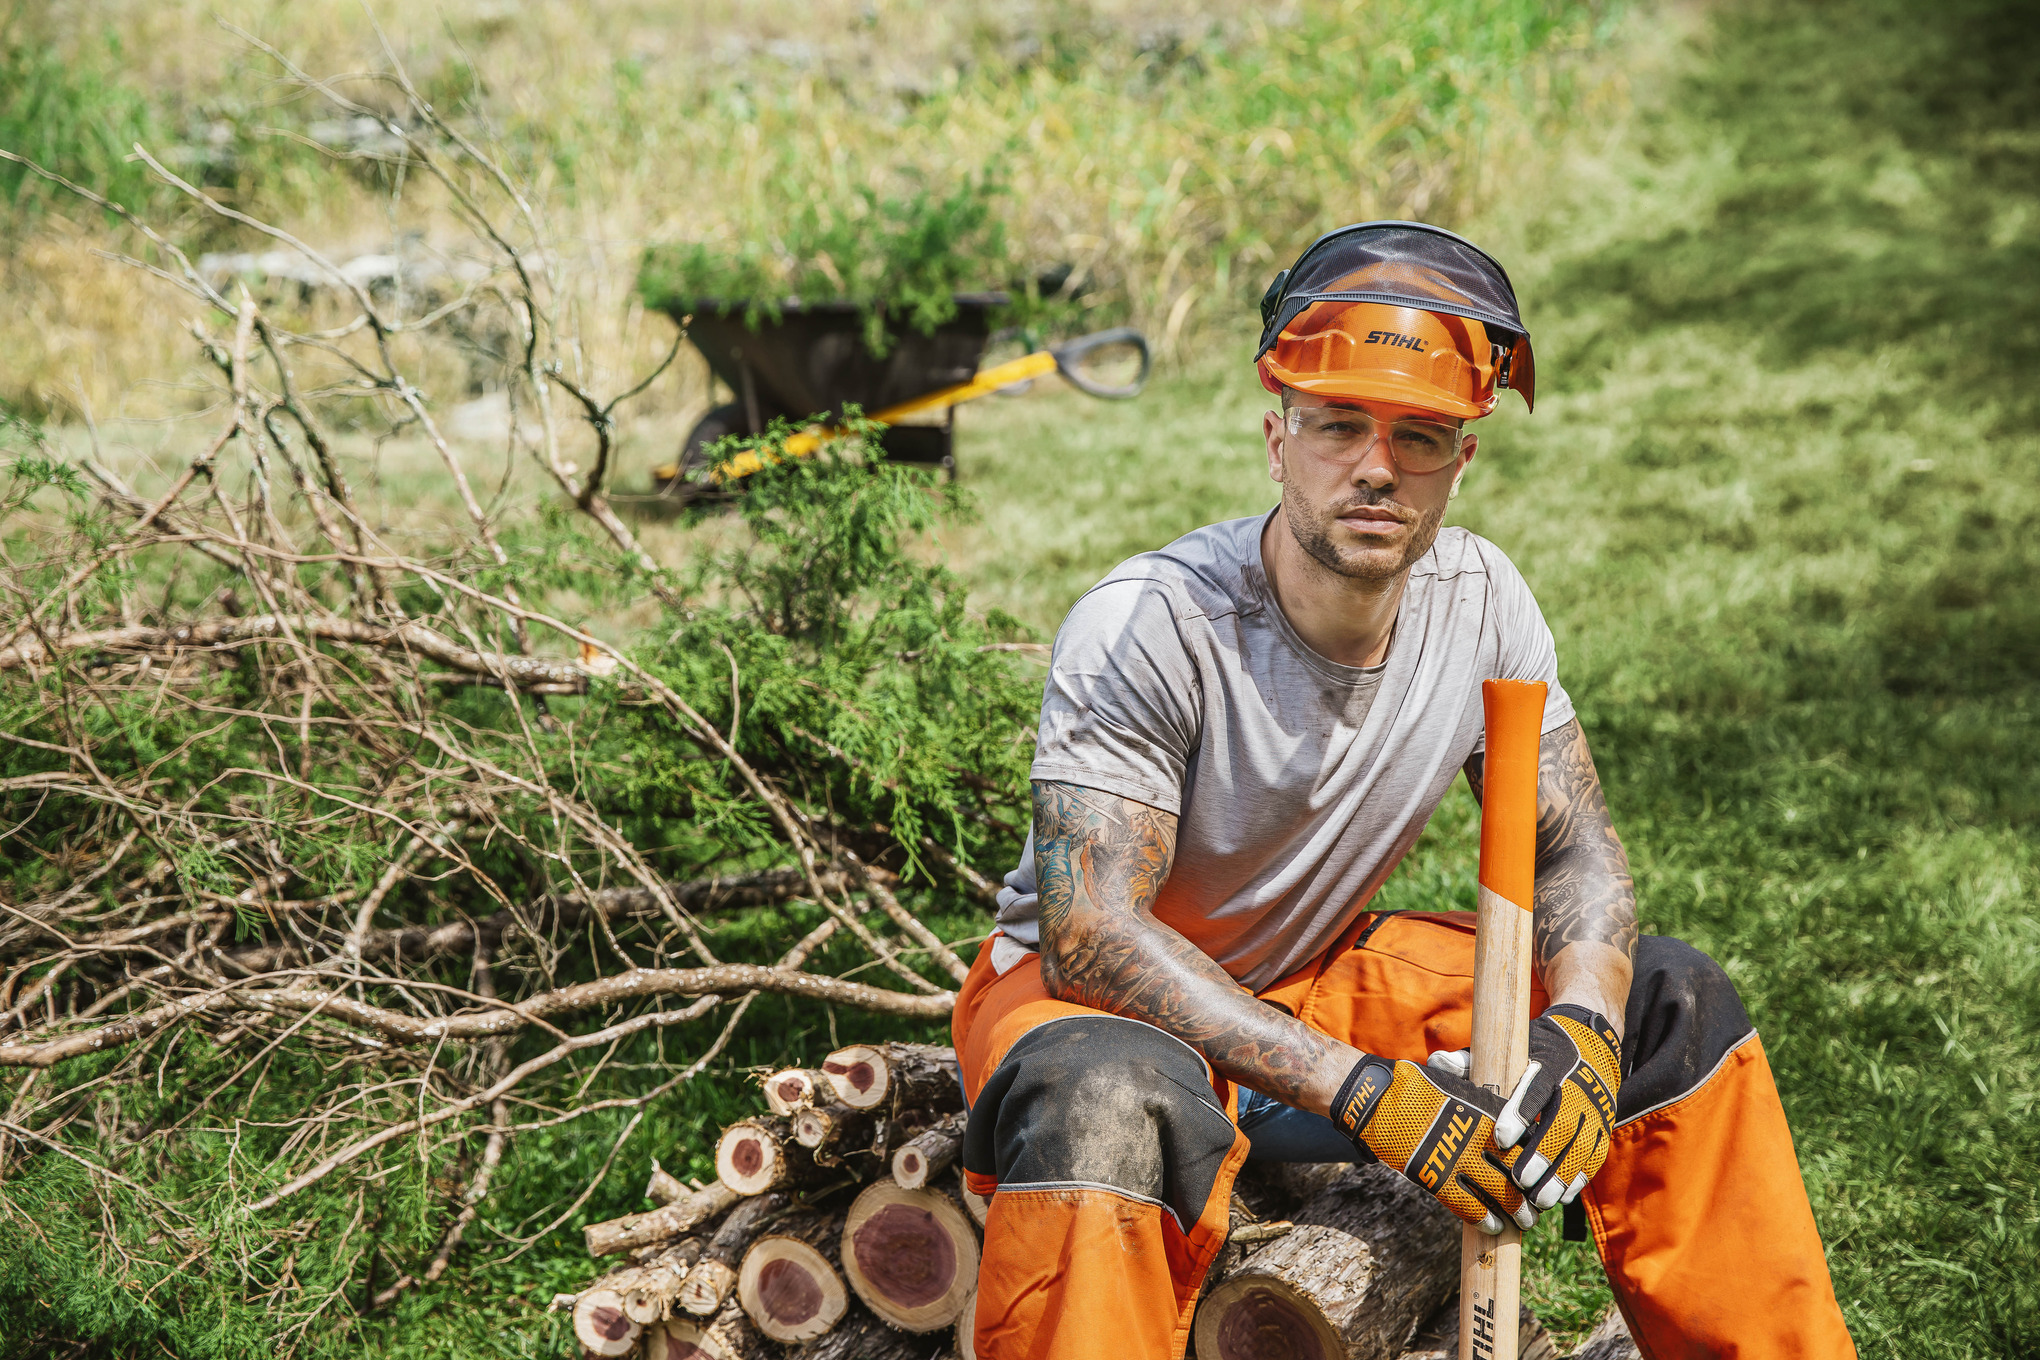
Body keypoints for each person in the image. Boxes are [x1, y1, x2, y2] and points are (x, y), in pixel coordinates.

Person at [952, 222, 1855, 1359]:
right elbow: (1092, 936)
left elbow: (1574, 851)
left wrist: (1578, 1029)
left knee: (1667, 1000)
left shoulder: (1484, 603)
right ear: (1277, 439)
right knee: (1105, 1089)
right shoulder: (1152, 624)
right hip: (1081, 1003)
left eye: (1419, 436)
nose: (1375, 466)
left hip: (1307, 974)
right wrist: (1368, 1094)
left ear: (1462, 458)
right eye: (1339, 427)